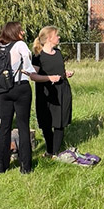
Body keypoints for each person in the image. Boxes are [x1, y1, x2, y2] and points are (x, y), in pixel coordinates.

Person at [0, 21, 60, 174]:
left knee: (4, 127)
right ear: (15, 32)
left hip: (3, 90)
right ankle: (25, 167)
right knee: (23, 126)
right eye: (21, 31)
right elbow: (28, 68)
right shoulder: (20, 45)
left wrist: (1, 85)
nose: (23, 33)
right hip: (20, 88)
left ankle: (1, 166)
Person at [32, 26, 74, 158]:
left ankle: (54, 153)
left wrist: (65, 73)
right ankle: (50, 149)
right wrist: (48, 78)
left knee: (60, 122)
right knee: (46, 123)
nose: (59, 37)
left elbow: (59, 70)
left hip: (62, 90)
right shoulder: (38, 57)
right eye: (57, 35)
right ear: (49, 38)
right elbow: (33, 76)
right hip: (46, 93)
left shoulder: (58, 53)